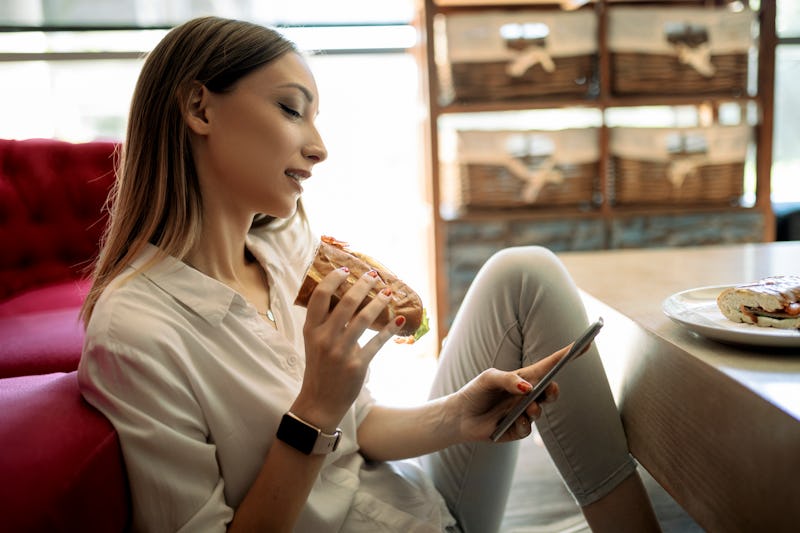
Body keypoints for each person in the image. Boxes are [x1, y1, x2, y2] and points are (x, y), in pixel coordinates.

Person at [78, 16, 661, 533]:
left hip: (419, 507)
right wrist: (313, 412)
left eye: (315, 118)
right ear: (200, 108)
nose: (319, 147)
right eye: (290, 109)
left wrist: (460, 413)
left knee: (525, 269)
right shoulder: (137, 332)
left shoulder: (286, 261)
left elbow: (361, 429)